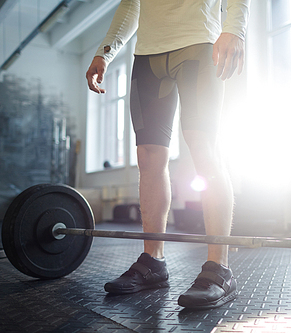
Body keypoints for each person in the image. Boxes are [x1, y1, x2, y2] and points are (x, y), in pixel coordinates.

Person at [85, 0, 250, 309]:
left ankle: (220, 269)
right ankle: (153, 262)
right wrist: (105, 51)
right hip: (147, 54)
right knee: (147, 157)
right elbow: (131, 3)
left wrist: (235, 28)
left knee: (204, 148)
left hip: (199, 43)